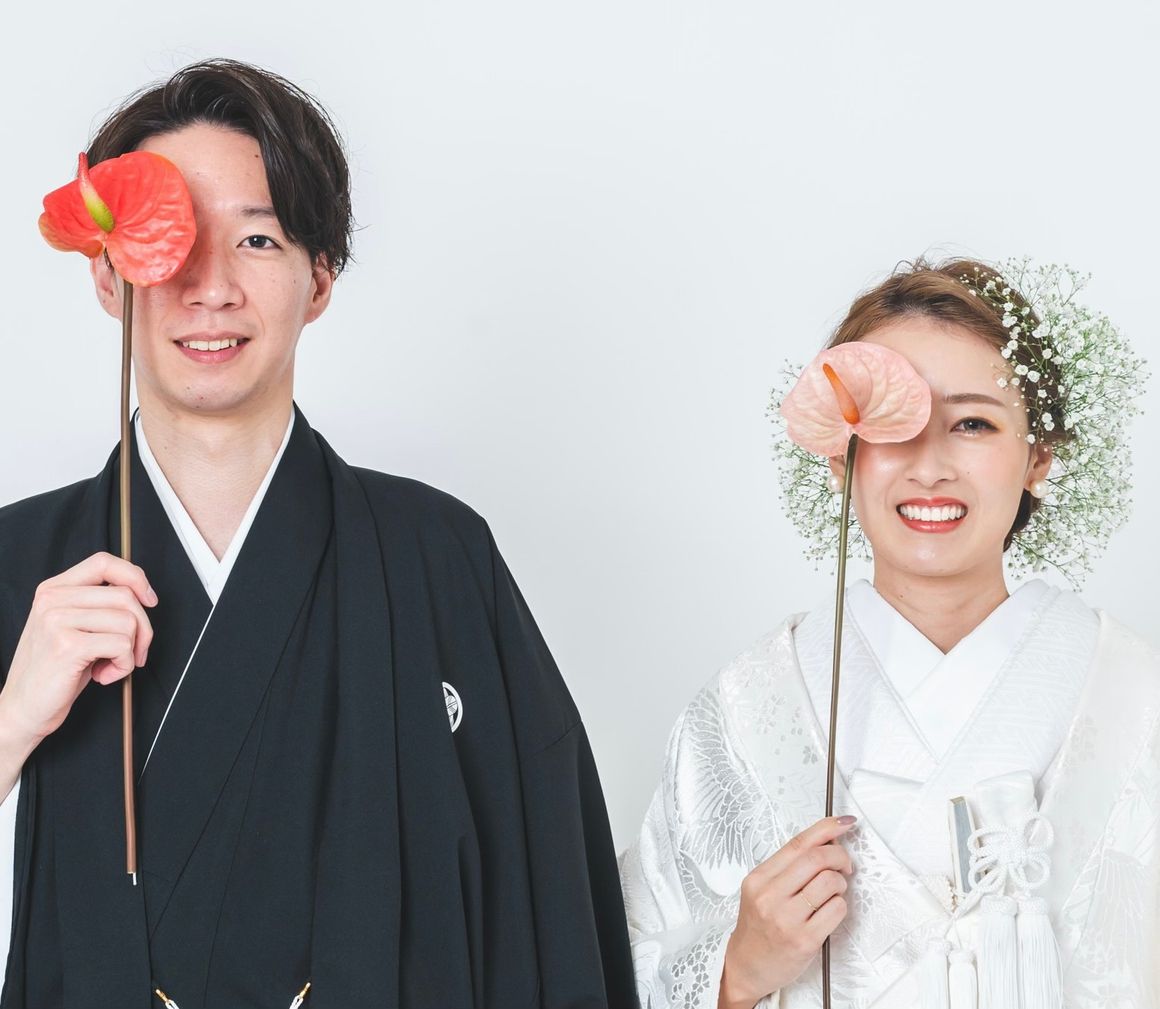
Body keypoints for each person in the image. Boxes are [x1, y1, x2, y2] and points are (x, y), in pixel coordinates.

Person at [0, 59, 636, 1009]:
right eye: (173, 239)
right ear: (107, 274)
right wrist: (13, 720)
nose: (211, 287)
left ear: (320, 277)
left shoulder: (437, 555)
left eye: (257, 238)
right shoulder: (23, 563)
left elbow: (547, 901)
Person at [619, 258, 1158, 1008]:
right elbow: (620, 955)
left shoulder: (1136, 698)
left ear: (1038, 455)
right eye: (891, 426)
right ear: (841, 458)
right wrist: (737, 970)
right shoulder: (751, 711)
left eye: (972, 423)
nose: (929, 467)